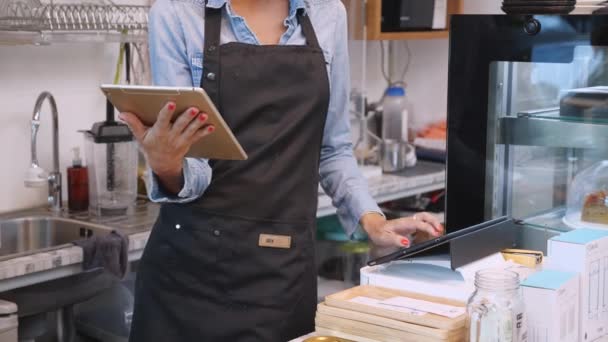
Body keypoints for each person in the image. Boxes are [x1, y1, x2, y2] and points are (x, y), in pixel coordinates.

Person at [120, 0, 444, 340]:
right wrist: (166, 164)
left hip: (282, 274)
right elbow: (194, 165)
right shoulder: (175, 14)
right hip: (187, 279)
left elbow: (333, 149)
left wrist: (373, 220)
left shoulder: (327, 14)